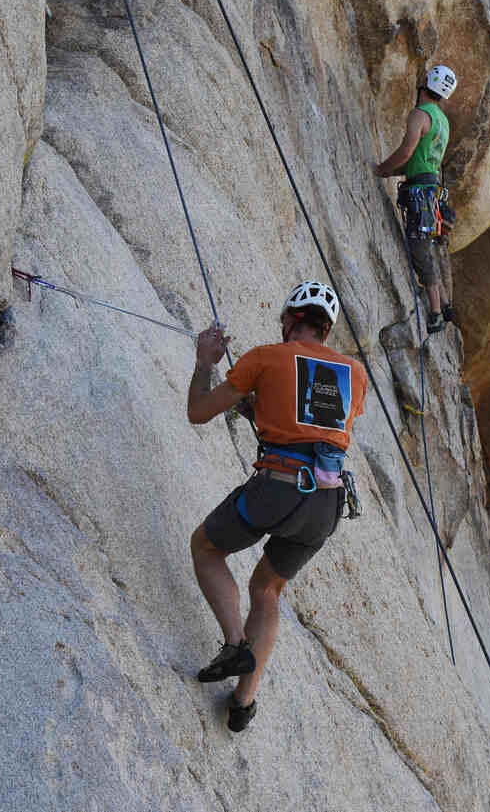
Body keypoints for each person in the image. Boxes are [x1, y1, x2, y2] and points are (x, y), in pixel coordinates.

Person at [185, 281, 368, 732]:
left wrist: (204, 363)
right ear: (326, 330)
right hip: (325, 505)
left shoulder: (266, 356)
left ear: (289, 319)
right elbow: (314, 426)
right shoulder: (355, 374)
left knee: (207, 548)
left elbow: (199, 411)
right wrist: (262, 408)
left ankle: (234, 644)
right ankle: (244, 702)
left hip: (277, 489)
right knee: (266, 590)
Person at [375, 64, 458, 333]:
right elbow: (420, 162)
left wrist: (380, 169)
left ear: (424, 85)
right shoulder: (443, 122)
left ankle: (434, 313)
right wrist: (391, 172)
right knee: (428, 245)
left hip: (420, 192)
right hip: (430, 189)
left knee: (419, 247)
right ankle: (445, 304)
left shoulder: (420, 115)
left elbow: (406, 152)